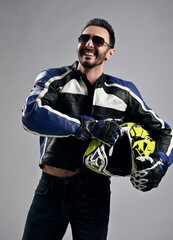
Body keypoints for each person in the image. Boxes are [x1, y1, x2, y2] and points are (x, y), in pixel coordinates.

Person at [21, 18, 173, 240]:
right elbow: (31, 115)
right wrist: (87, 127)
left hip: (95, 194)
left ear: (109, 52)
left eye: (98, 40)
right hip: (51, 190)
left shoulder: (123, 92)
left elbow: (164, 131)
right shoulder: (54, 78)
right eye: (84, 38)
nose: (89, 44)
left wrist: (159, 165)